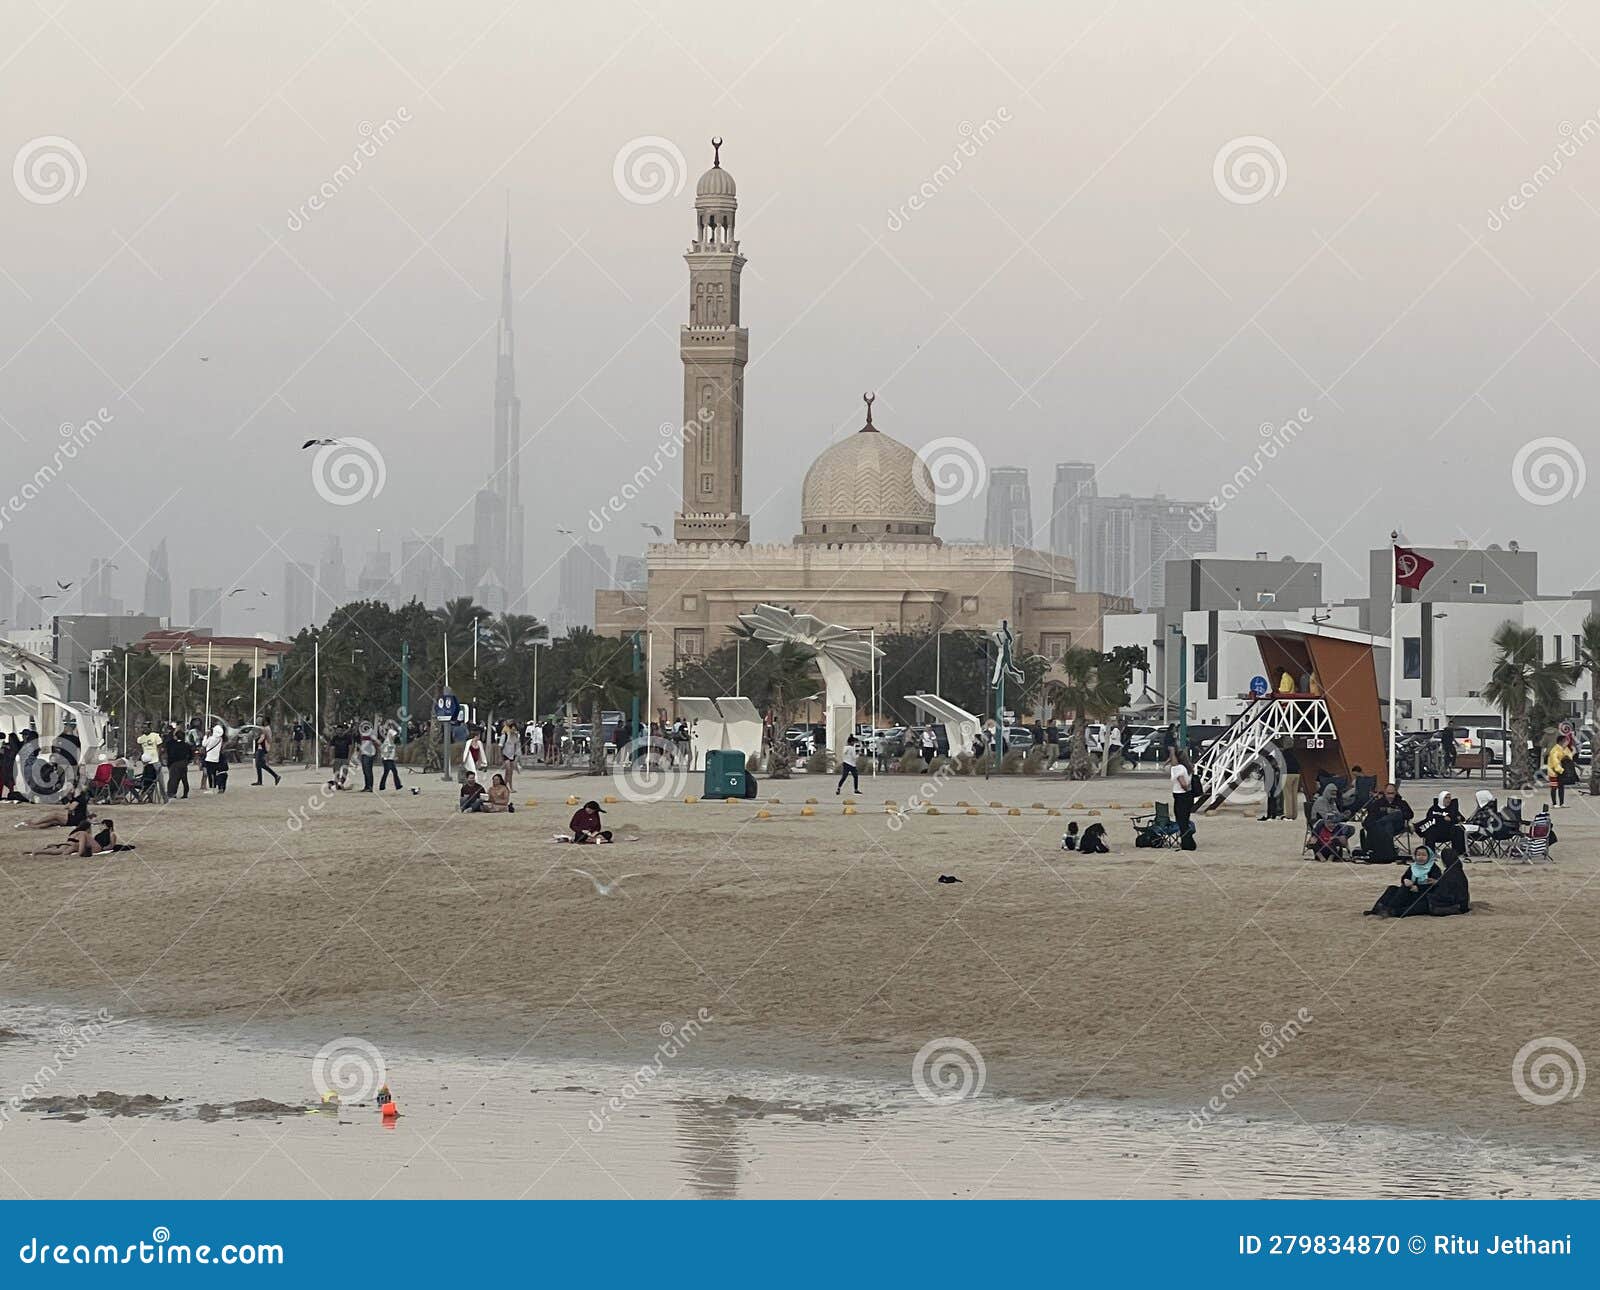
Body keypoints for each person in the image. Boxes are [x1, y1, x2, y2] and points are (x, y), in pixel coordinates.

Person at [1367, 844, 1443, 917]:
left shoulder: (1434, 868)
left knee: (1404, 889)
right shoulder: (1414, 866)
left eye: (1424, 855)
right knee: (1392, 888)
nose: (1420, 857)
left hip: (1423, 894)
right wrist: (1405, 880)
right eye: (1418, 855)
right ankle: (1376, 909)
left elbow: (1435, 885)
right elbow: (1405, 877)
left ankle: (1390, 908)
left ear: (1429, 856)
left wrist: (1418, 888)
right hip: (1410, 890)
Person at [1360, 783, 1413, 861]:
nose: (1390, 795)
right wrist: (1385, 811)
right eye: (1388, 793)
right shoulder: (1378, 803)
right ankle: (1389, 852)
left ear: (1396, 792)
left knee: (1397, 814)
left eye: (1392, 793)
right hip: (1382, 828)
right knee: (1388, 825)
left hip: (1397, 826)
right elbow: (1371, 814)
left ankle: (1386, 850)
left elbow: (1410, 814)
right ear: (1385, 793)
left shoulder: (1401, 802)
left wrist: (1395, 812)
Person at [1420, 790, 1467, 859]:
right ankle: (1430, 854)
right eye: (1446, 798)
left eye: (1449, 798)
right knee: (1430, 831)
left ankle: (1458, 853)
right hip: (1436, 833)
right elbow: (1429, 819)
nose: (1448, 800)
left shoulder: (1453, 809)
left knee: (1458, 829)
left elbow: (1462, 819)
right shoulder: (1434, 808)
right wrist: (1442, 818)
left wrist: (1454, 819)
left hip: (1450, 833)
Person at [1167, 746, 1195, 850]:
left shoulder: (1179, 768)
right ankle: (1186, 841)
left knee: (1181, 820)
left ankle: (1187, 843)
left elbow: (1183, 783)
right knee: (1185, 819)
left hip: (1181, 796)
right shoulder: (1188, 768)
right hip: (1188, 797)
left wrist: (1172, 752)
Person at [1546, 738, 1573, 809]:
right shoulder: (1555, 750)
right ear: (1561, 742)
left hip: (1561, 771)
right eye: (1565, 741)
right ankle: (1554, 803)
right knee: (1554, 787)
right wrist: (1560, 770)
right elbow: (1555, 762)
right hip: (1554, 771)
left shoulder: (1564, 749)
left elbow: (1569, 756)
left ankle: (1562, 803)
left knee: (1561, 786)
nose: (1567, 743)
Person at [202, 722, 227, 793]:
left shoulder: (211, 738)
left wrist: (206, 736)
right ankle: (216, 787)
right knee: (215, 773)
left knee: (210, 774)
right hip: (216, 758)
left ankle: (211, 788)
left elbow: (204, 744)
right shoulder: (220, 739)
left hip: (209, 758)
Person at [379, 723, 403, 791]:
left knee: (387, 772)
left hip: (387, 756)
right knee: (393, 771)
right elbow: (395, 736)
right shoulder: (390, 732)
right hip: (387, 757)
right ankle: (397, 785)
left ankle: (382, 786)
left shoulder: (388, 739)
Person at [356, 723, 379, 792]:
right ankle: (367, 786)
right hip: (364, 753)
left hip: (369, 753)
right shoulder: (362, 732)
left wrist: (376, 753)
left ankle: (369, 786)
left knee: (368, 770)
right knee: (365, 771)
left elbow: (375, 742)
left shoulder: (372, 732)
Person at [499, 720, 520, 791]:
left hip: (512, 755)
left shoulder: (516, 737)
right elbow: (500, 746)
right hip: (505, 754)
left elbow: (517, 747)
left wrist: (516, 757)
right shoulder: (505, 735)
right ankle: (504, 786)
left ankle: (510, 787)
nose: (513, 730)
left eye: (515, 729)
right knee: (507, 770)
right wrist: (501, 757)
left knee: (510, 772)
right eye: (512, 729)